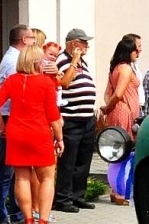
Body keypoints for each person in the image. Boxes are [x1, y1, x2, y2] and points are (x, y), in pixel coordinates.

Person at [0, 45, 62, 224]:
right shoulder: (45, 83)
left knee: (21, 178)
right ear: (37, 62)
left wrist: (2, 127)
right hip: (39, 133)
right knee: (46, 178)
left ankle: (28, 222)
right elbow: (53, 115)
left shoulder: (12, 81)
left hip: (16, 133)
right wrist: (60, 138)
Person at [0, 25, 33, 224]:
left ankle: (17, 211)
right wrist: (2, 126)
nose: (34, 42)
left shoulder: (16, 59)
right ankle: (0, 217)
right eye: (32, 38)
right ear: (24, 40)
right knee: (6, 171)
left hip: (14, 119)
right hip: (8, 119)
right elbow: (8, 97)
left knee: (18, 170)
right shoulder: (13, 62)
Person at [52, 28, 98, 214]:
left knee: (83, 160)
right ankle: (63, 198)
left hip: (87, 117)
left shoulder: (82, 63)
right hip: (72, 117)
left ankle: (78, 196)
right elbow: (65, 83)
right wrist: (74, 61)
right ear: (73, 43)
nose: (87, 46)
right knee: (68, 161)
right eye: (84, 42)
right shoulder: (64, 61)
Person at [101, 34, 143, 205]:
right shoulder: (125, 68)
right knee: (122, 151)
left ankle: (116, 190)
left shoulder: (115, 68)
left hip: (120, 111)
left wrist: (109, 107)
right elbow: (118, 94)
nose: (138, 52)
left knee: (118, 151)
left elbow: (107, 93)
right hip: (123, 112)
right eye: (135, 49)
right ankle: (119, 192)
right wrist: (111, 107)